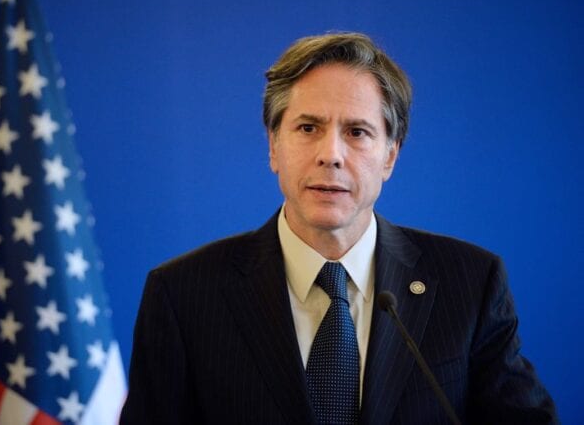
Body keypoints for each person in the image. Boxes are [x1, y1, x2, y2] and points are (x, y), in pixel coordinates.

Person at [119, 32, 557, 424]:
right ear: (274, 146)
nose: (331, 154)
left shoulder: (470, 283)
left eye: (357, 132)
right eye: (308, 127)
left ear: (390, 156)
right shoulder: (183, 294)